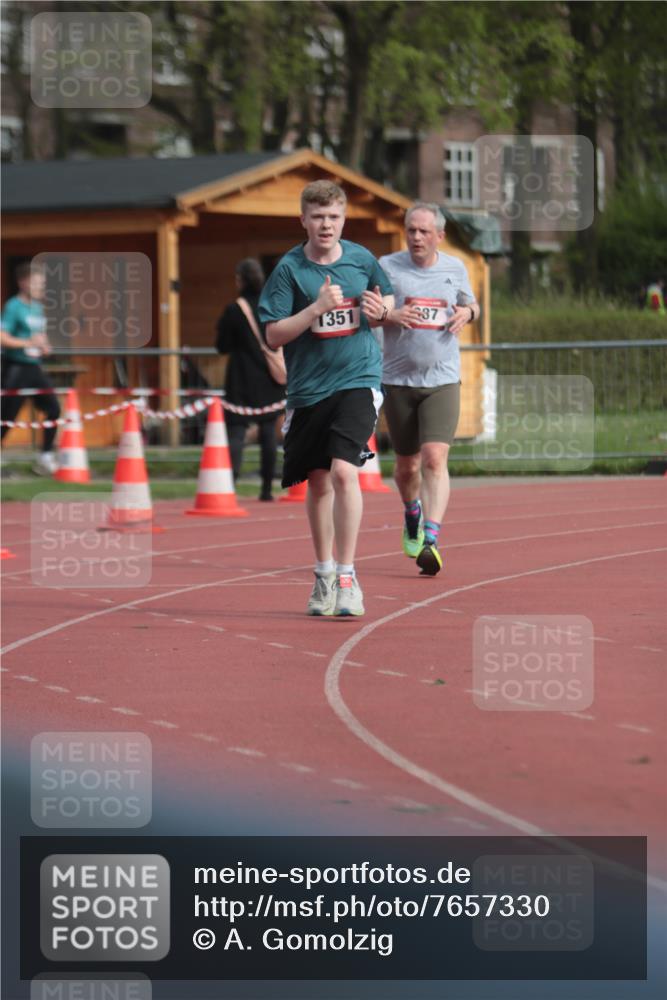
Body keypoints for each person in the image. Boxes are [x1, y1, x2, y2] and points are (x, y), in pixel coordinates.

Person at [259, 180, 393, 617]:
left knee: (343, 471)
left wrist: (382, 311)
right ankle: (324, 575)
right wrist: (315, 309)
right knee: (317, 483)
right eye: (317, 217)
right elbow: (273, 333)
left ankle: (350, 576)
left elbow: (384, 295)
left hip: (358, 378)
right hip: (308, 388)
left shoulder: (361, 258)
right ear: (304, 220)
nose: (326, 225)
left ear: (343, 219)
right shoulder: (289, 269)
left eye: (333, 217)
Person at [378, 202, 478, 576]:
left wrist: (468, 313)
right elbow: (371, 310)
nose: (416, 237)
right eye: (411, 230)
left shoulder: (455, 267)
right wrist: (391, 314)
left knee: (435, 457)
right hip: (399, 380)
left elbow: (472, 305)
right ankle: (412, 514)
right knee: (407, 467)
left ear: (440, 235)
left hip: (442, 380)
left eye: (423, 231)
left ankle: (432, 540)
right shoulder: (388, 267)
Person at [215, 258, 285, 501]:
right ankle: (266, 488)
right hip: (269, 378)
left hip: (240, 378)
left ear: (240, 280)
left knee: (235, 432)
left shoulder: (234, 310)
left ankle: (230, 485)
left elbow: (222, 346)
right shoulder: (272, 306)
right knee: (268, 433)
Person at [1, 262, 60, 474]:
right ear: (23, 282)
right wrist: (27, 344)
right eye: (37, 282)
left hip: (35, 368)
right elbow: (2, 337)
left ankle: (45, 456)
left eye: (42, 283)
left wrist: (44, 346)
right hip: (15, 368)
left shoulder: (38, 307)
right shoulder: (13, 306)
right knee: (6, 416)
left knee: (54, 409)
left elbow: (38, 336)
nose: (41, 287)